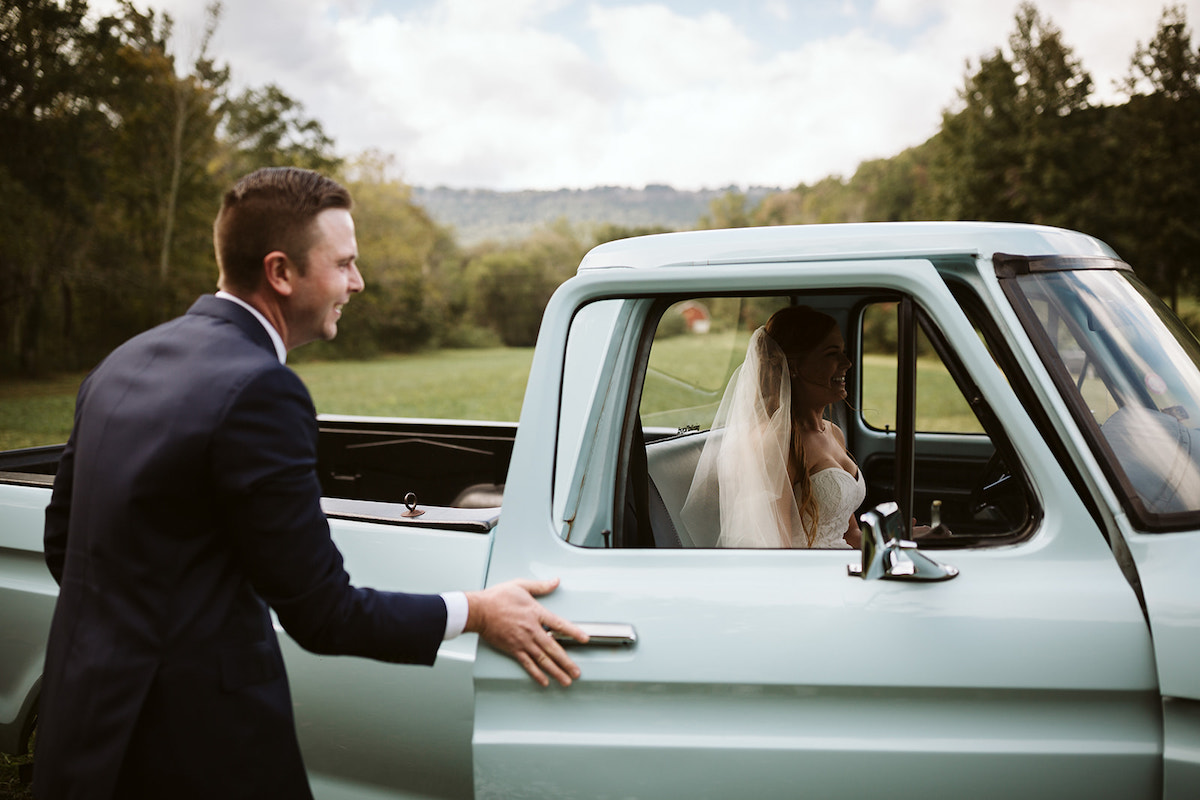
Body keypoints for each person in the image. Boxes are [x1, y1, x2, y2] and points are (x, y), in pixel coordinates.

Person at [35, 167, 587, 800]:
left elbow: (64, 546)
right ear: (281, 272)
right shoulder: (261, 391)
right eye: (344, 263)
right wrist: (479, 611)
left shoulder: (123, 362)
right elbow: (324, 615)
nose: (358, 281)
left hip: (82, 736)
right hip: (198, 756)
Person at [682, 305, 863, 549]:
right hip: (808, 577)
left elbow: (850, 534)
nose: (847, 363)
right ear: (795, 366)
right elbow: (776, 550)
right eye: (832, 354)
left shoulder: (833, 433)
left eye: (843, 352)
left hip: (842, 563)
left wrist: (900, 539)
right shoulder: (774, 443)